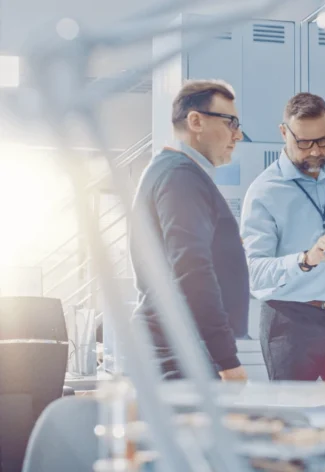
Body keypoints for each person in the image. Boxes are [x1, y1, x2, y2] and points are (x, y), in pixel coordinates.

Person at [240, 92, 325, 382]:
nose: (316, 152)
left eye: (324, 140)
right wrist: (305, 260)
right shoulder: (264, 192)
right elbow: (254, 273)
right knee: (295, 419)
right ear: (283, 133)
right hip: (289, 320)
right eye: (304, 142)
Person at [131, 79, 248, 382]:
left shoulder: (175, 171)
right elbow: (192, 269)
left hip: (180, 348)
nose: (238, 134)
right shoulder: (180, 175)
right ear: (195, 121)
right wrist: (227, 360)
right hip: (180, 353)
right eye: (231, 122)